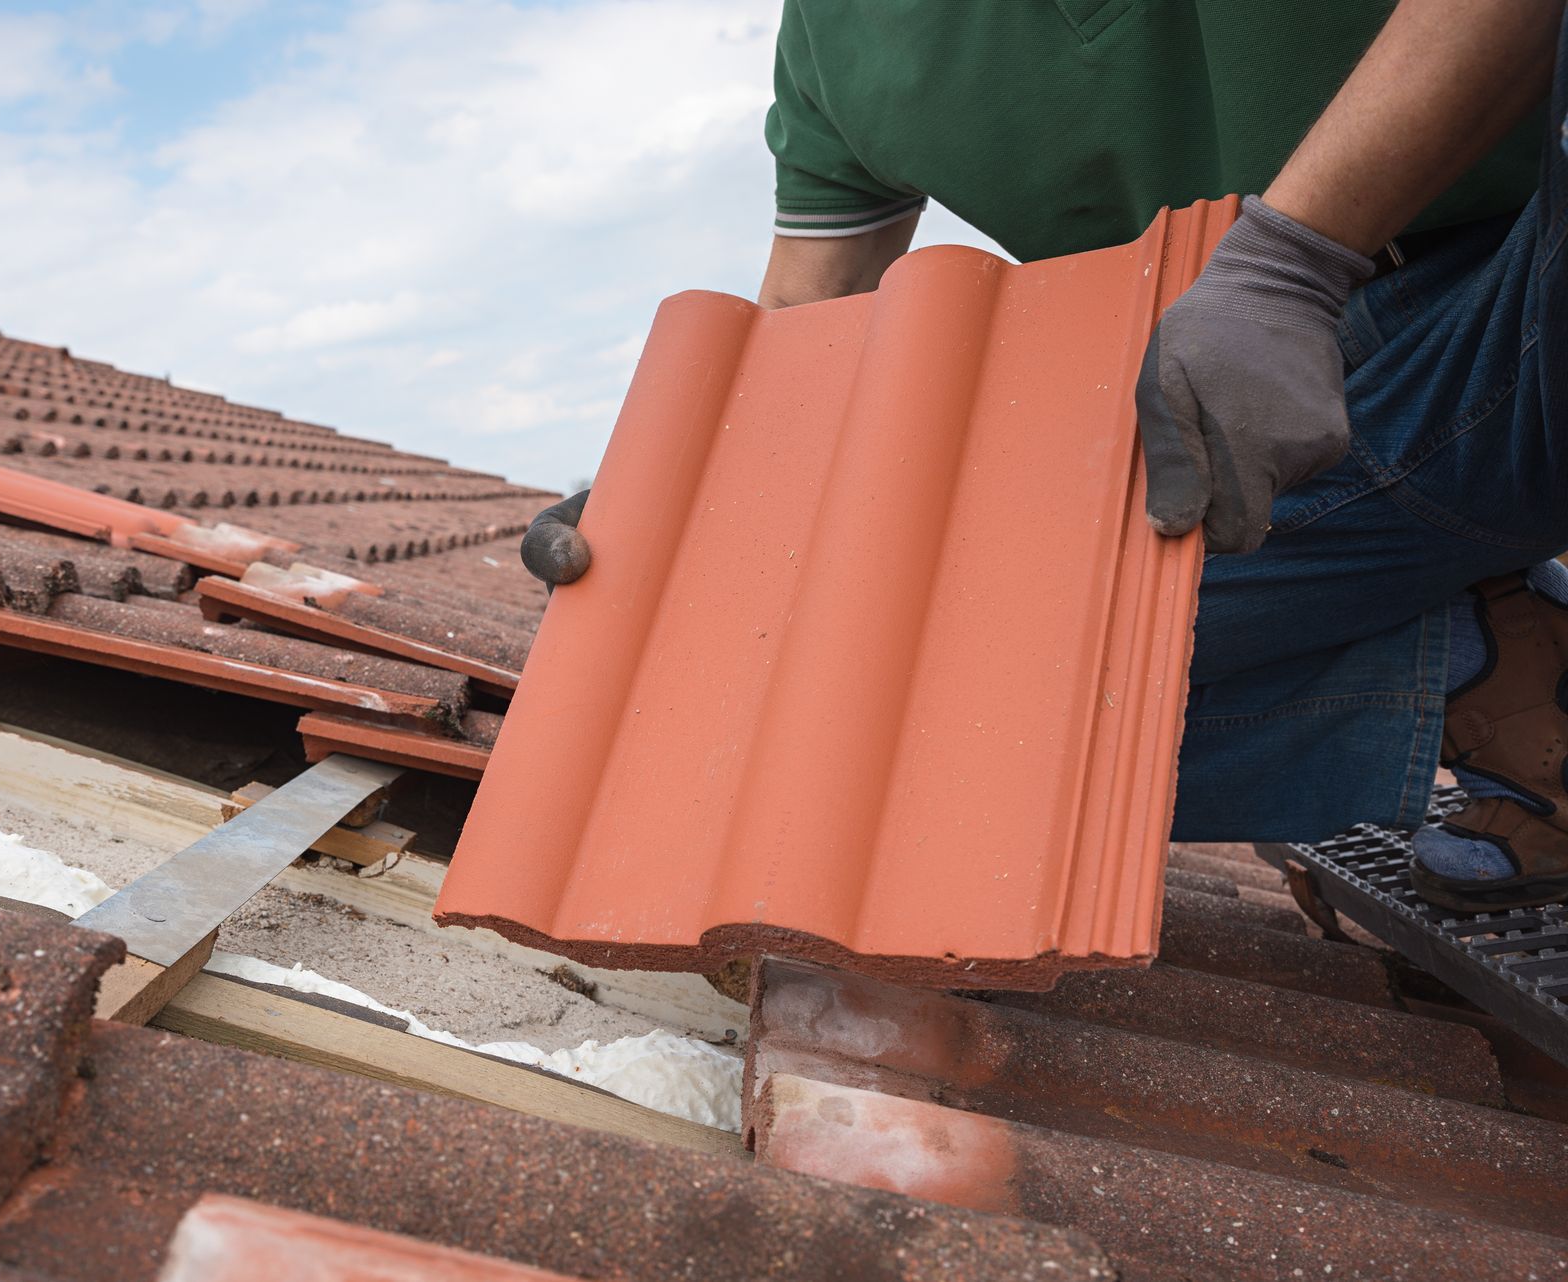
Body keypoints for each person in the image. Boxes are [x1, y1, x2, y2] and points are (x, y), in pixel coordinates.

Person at [521, 0, 1568, 912]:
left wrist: (1295, 258)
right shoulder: (833, 37)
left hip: (1512, 295)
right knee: (853, 729)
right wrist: (680, 506)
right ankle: (1496, 665)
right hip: (1230, 419)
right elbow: (808, 317)